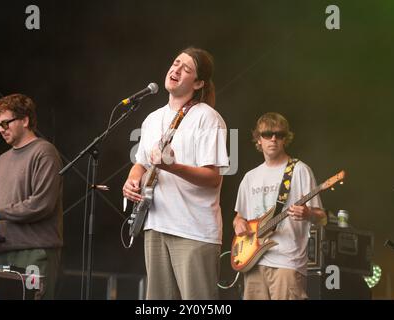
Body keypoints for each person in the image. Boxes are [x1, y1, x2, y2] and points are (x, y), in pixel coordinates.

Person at [123, 47, 229, 299]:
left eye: (187, 69)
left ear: (199, 82)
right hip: (156, 224)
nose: (176, 70)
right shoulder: (151, 119)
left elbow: (213, 177)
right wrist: (131, 178)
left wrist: (173, 168)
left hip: (193, 230)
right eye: (175, 63)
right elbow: (141, 163)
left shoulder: (207, 118)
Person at [0, 94, 63, 299]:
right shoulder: (1, 160)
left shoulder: (44, 152)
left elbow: (41, 204)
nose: (1, 129)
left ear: (25, 120)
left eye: (5, 123)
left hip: (35, 252)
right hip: (3, 253)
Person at [232, 112, 326, 300]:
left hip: (287, 262)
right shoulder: (250, 177)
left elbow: (322, 217)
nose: (273, 139)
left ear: (285, 139)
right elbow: (238, 217)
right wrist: (238, 224)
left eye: (279, 134)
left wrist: (307, 213)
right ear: (258, 139)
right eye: (267, 134)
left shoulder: (299, 170)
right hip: (253, 261)